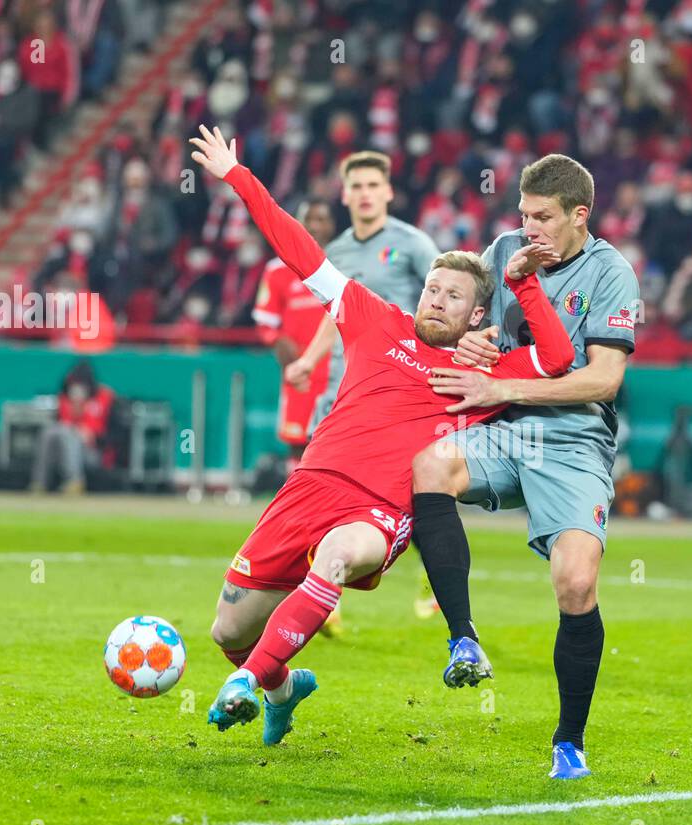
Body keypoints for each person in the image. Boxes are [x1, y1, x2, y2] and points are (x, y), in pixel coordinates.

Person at [186, 125, 574, 746]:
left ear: (477, 314)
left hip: (379, 509)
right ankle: (284, 690)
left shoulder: (485, 369)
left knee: (336, 560)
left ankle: (244, 686)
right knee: (227, 631)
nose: (437, 300)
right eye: (432, 289)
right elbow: (299, 250)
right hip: (307, 486)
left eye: (454, 296)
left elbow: (556, 362)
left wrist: (524, 284)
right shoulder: (374, 319)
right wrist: (238, 175)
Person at [403, 153, 640, 780]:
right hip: (501, 429)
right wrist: (466, 340)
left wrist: (503, 389)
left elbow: (603, 380)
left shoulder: (612, 273)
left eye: (543, 217)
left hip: (571, 440)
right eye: (524, 214)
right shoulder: (504, 247)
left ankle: (569, 741)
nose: (528, 228)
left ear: (578, 216)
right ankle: (463, 638)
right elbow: (456, 318)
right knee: (430, 467)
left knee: (577, 583)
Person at [283, 151, 444, 623]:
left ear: (388, 191)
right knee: (322, 482)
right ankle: (321, 580)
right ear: (345, 193)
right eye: (356, 186)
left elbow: (451, 298)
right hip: (340, 388)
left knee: (411, 490)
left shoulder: (414, 245)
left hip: (397, 392)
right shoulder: (337, 251)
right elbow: (334, 314)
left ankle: (432, 568)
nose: (365, 193)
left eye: (374, 185)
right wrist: (310, 360)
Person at [251, 198, 335, 461]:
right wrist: (277, 341)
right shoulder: (277, 269)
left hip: (339, 373)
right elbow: (265, 322)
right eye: (308, 219)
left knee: (336, 444)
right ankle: (299, 499)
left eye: (320, 219)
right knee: (297, 444)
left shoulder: (343, 265)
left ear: (332, 225)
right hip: (301, 373)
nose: (313, 226)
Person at [30, 360, 114, 494]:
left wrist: (95, 437)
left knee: (69, 435)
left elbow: (116, 434)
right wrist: (75, 414)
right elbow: (60, 426)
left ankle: (75, 480)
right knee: (50, 432)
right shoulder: (65, 399)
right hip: (63, 450)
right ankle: (40, 482)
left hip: (93, 452)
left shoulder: (105, 397)